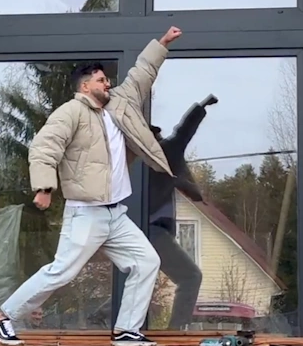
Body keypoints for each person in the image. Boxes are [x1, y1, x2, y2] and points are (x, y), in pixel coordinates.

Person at [0, 26, 183, 346]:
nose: (108, 84)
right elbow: (44, 147)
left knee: (147, 262)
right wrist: (44, 187)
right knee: (62, 271)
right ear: (85, 85)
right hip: (86, 213)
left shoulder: (120, 103)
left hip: (115, 215)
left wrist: (162, 43)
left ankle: (127, 330)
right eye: (102, 80)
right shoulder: (72, 112)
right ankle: (1, 317)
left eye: (107, 80)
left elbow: (142, 73)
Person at [89, 97, 215, 330]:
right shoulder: (164, 152)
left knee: (144, 275)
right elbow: (183, 132)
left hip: (127, 228)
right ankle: (177, 331)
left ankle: (103, 314)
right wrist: (201, 107)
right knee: (190, 277)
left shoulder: (128, 160)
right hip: (152, 231)